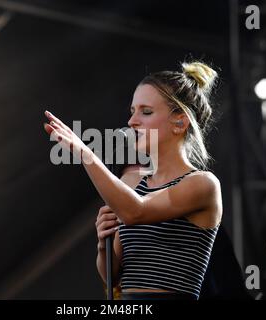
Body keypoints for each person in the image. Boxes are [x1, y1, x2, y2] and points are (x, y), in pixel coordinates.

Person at [43, 61, 223, 300]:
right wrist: (102, 244)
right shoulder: (133, 184)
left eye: (146, 112)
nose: (132, 122)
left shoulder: (202, 184)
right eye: (132, 111)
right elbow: (112, 277)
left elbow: (136, 211)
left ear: (179, 122)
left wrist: (85, 154)